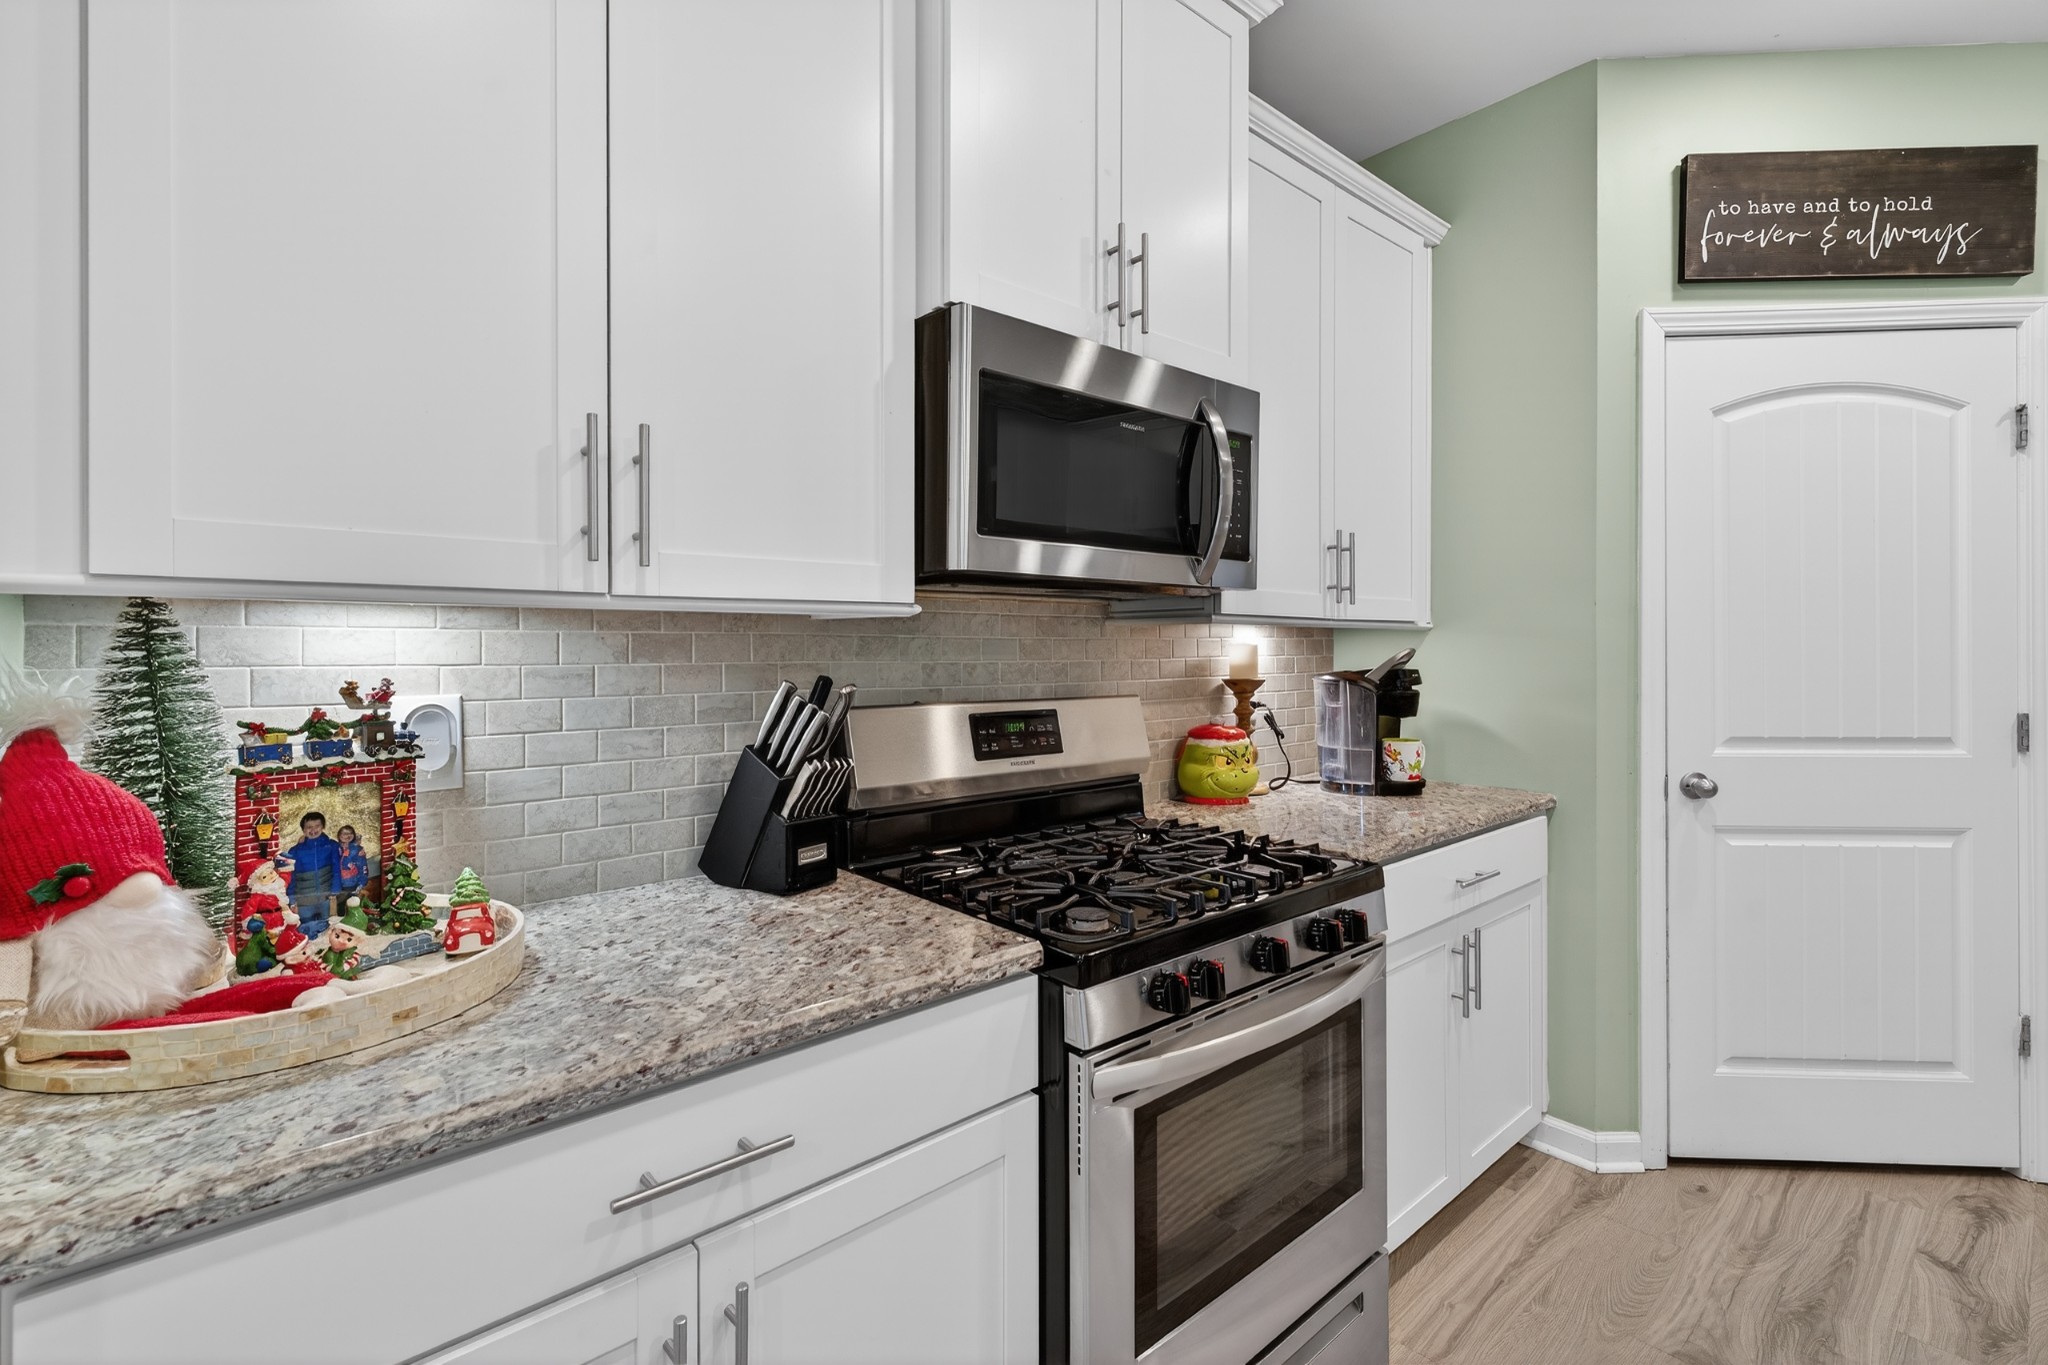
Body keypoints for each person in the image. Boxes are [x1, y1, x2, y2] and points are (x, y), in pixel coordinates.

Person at [279, 811, 340, 938]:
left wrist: (335, 890)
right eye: (309, 827)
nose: (313, 830)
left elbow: (337, 869)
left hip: (326, 898)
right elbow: (291, 876)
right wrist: (291, 897)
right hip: (304, 901)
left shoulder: (332, 846)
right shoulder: (295, 851)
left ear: (323, 827)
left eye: (317, 826)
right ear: (303, 830)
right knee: (305, 931)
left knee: (327, 929)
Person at [335, 825, 369, 898]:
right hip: (337, 885)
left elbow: (363, 867)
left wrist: (361, 884)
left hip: (351, 884)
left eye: (350, 833)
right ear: (339, 835)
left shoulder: (357, 850)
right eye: (344, 833)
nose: (347, 836)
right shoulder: (335, 847)